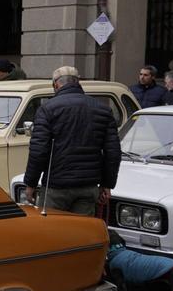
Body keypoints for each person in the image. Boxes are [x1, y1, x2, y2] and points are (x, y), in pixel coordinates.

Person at [23, 66, 121, 215]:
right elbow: (113, 152)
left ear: (56, 84)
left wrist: (30, 184)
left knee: (52, 233)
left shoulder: (47, 109)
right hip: (88, 185)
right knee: (82, 233)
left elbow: (39, 151)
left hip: (56, 185)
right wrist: (107, 184)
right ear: (78, 82)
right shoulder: (103, 110)